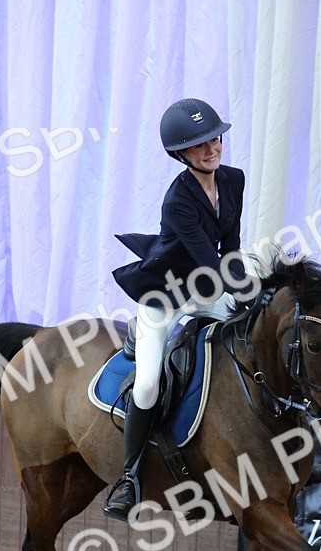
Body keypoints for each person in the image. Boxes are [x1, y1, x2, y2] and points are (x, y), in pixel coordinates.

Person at [104, 98, 248, 520]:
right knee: (148, 384)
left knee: (256, 333)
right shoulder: (177, 200)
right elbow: (208, 259)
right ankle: (129, 477)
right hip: (166, 294)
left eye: (214, 139)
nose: (211, 149)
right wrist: (241, 291)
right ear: (180, 154)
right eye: (199, 145)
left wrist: (250, 297)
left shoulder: (234, 180)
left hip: (206, 286)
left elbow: (231, 248)